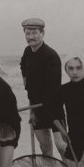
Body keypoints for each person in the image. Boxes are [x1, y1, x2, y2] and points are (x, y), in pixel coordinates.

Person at [19, 17, 66, 158]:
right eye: (28, 33)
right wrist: (32, 107)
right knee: (45, 146)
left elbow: (54, 88)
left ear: (42, 33)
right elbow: (23, 70)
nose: (30, 37)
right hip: (36, 107)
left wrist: (44, 106)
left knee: (62, 146)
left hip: (54, 107)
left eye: (34, 33)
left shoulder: (51, 56)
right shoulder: (27, 52)